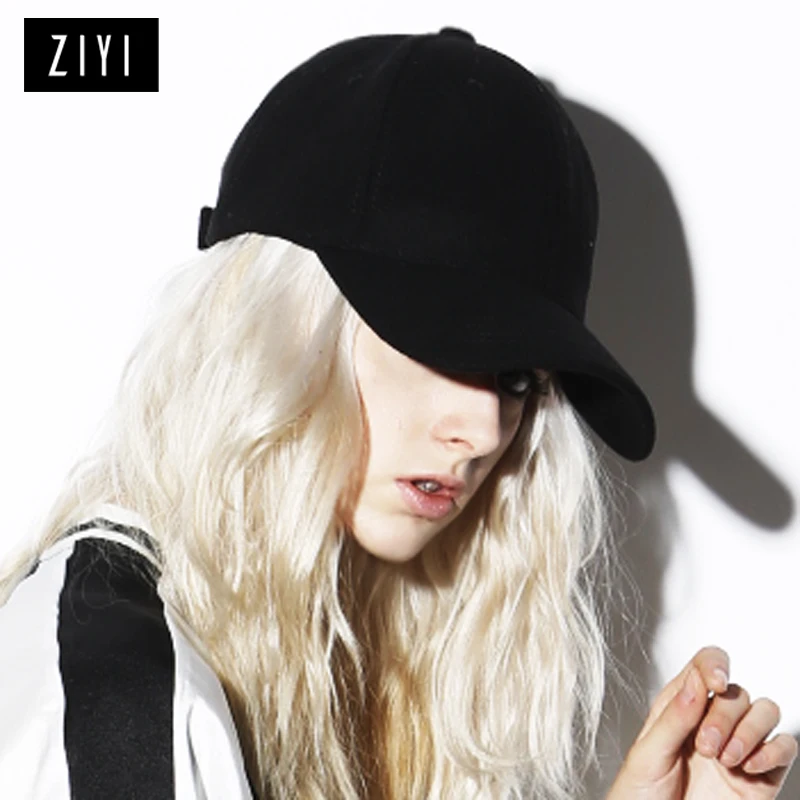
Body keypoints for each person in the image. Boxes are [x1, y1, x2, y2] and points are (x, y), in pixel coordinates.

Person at [0, 26, 795, 800]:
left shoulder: (275, 662)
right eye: (440, 341)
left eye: (518, 378)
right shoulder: (121, 704)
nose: (485, 432)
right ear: (278, 328)